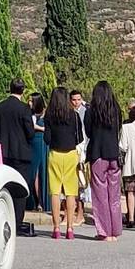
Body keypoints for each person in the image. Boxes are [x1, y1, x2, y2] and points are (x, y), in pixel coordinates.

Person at [0, 78, 34, 232]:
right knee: (20, 189)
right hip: (21, 152)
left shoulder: (0, 107)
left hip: (4, 152)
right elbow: (29, 132)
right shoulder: (24, 109)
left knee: (6, 186)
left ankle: (5, 218)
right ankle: (17, 221)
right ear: (22, 90)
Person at [84, 80, 123, 242]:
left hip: (97, 153)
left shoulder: (91, 111)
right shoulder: (117, 110)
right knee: (114, 195)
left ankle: (104, 231)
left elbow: (88, 131)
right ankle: (115, 231)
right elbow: (119, 128)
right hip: (114, 154)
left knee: (100, 195)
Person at [44, 87, 83, 239]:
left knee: (55, 191)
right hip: (70, 154)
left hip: (55, 153)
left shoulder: (49, 115)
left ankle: (56, 228)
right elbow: (79, 137)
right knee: (70, 191)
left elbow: (46, 138)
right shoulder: (73, 115)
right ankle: (70, 228)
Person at [69, 89, 89, 225]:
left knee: (81, 182)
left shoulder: (86, 112)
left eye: (78, 99)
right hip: (71, 148)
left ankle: (81, 212)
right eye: (74, 100)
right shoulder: (69, 112)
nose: (76, 102)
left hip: (83, 149)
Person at [28, 93, 50, 214]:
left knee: (42, 170)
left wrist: (40, 128)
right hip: (33, 142)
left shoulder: (45, 113)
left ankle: (42, 201)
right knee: (33, 171)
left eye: (31, 101)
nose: (29, 102)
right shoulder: (28, 113)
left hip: (42, 141)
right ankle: (34, 200)